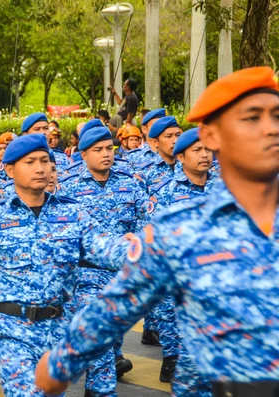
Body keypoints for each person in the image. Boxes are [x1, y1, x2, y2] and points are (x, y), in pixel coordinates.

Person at [35, 66, 279, 397]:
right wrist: (62, 363)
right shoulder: (181, 229)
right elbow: (118, 303)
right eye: (251, 118)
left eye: (276, 115)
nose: (270, 129)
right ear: (212, 137)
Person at [0, 134, 129, 397]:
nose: (40, 168)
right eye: (30, 162)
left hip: (58, 324)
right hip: (12, 327)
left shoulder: (72, 215)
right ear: (9, 169)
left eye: (45, 160)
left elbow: (108, 250)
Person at [58, 127, 149, 392]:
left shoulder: (128, 183)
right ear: (83, 154)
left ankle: (99, 376)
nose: (106, 154)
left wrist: (139, 237)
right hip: (85, 276)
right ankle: (99, 387)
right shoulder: (68, 187)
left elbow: (151, 219)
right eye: (98, 150)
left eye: (109, 148)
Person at [146, 128, 216, 389]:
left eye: (207, 149)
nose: (204, 155)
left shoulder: (224, 189)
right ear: (182, 157)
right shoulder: (166, 194)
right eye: (197, 150)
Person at [136, 116, 183, 192]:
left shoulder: (189, 166)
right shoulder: (144, 171)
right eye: (169, 136)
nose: (175, 140)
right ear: (156, 142)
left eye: (178, 135)